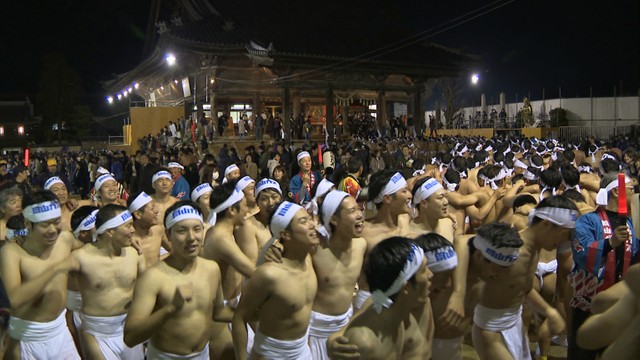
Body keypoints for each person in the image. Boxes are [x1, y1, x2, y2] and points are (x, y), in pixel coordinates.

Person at [124, 201, 233, 359]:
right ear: (168, 235)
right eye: (182, 230)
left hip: (202, 355)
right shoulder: (153, 277)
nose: (191, 238)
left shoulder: (212, 269)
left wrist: (254, 313)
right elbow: (130, 337)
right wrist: (170, 309)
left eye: (197, 229)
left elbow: (218, 312)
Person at [0, 190, 82, 359]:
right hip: (28, 337)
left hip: (60, 332)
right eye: (45, 225)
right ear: (28, 225)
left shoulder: (65, 239)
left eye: (56, 222)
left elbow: (91, 250)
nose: (53, 230)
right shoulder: (12, 252)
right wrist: (55, 269)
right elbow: (15, 299)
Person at [232, 201, 318, 360]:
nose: (312, 224)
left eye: (309, 218)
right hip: (271, 354)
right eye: (303, 221)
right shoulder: (269, 274)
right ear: (285, 234)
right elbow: (240, 317)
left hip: (302, 351)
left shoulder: (309, 258)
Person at [568, 172, 639, 359]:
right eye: (631, 189)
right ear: (617, 191)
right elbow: (581, 254)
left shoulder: (631, 224)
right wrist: (610, 242)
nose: (634, 193)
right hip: (588, 300)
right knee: (583, 350)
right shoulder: (588, 220)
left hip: (618, 301)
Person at [71, 204, 145, 360]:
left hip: (129, 328)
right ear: (110, 231)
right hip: (98, 333)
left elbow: (149, 287)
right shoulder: (80, 258)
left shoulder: (135, 253)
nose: (133, 230)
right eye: (128, 226)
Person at [341, 236, 429, 359]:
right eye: (424, 270)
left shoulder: (390, 306)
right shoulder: (363, 343)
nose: (431, 274)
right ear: (406, 287)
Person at [309, 191, 367, 359]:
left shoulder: (361, 245)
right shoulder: (315, 248)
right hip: (316, 332)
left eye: (359, 209)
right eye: (352, 211)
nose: (359, 215)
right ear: (334, 220)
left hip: (345, 328)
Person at [356, 170, 413, 310]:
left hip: (400, 298)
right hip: (371, 302)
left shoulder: (405, 220)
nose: (410, 195)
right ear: (387, 198)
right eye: (404, 191)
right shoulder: (365, 234)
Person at [235, 178, 283, 264]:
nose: (271, 203)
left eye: (274, 197)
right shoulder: (248, 226)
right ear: (257, 203)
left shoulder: (287, 221)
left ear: (281, 198)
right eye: (264, 199)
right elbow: (250, 266)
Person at [128, 191, 170, 266]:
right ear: (138, 214)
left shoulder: (158, 231)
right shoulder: (128, 240)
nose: (156, 211)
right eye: (152, 208)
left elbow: (173, 251)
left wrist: (159, 262)